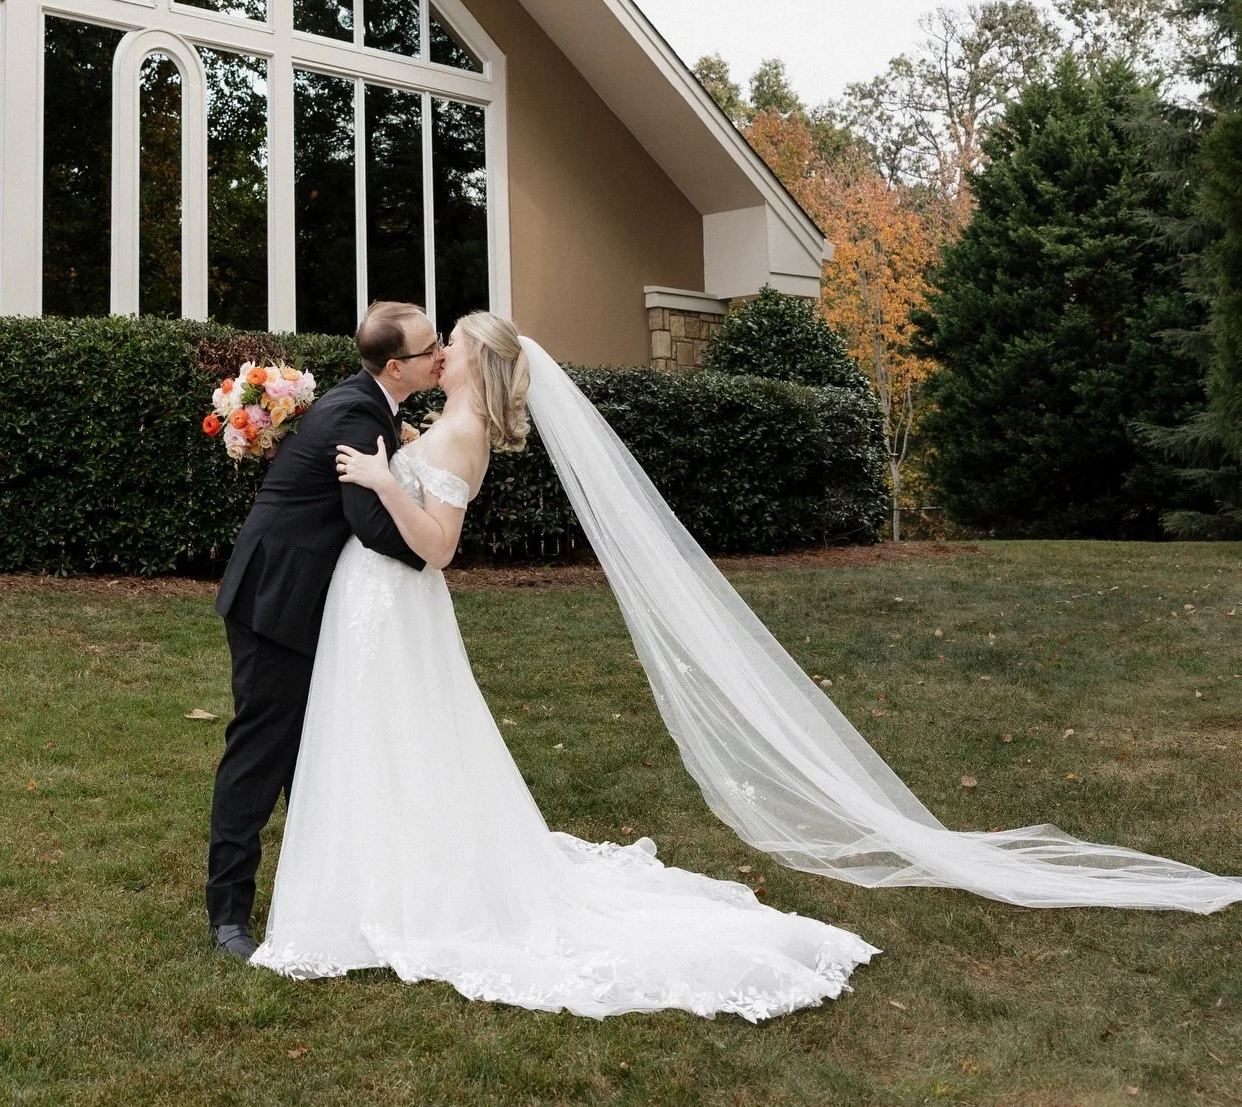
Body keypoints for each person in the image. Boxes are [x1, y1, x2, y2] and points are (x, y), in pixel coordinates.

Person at [248, 312, 878, 1021]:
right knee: (390, 736)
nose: (442, 351)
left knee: (396, 730)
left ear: (473, 364)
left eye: (451, 343)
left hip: (395, 600)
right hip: (376, 601)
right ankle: (376, 873)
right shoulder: (447, 426)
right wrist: (401, 454)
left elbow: (438, 548)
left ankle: (392, 887)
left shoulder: (460, 434)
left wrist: (383, 479)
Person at [205, 301, 443, 958]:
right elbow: (368, 523)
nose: (441, 353)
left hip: (308, 602)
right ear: (396, 366)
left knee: (315, 754)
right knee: (259, 756)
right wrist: (434, 550)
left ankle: (322, 895)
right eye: (431, 348)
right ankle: (227, 914)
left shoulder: (373, 406)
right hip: (275, 604)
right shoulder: (354, 414)